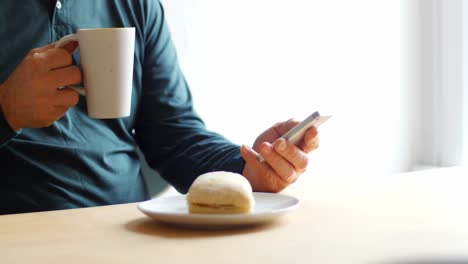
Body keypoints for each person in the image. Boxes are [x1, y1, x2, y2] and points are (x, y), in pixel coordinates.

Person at [0, 0, 319, 214]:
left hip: (127, 228)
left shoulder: (136, 5)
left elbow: (174, 136)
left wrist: (250, 168)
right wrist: (5, 109)